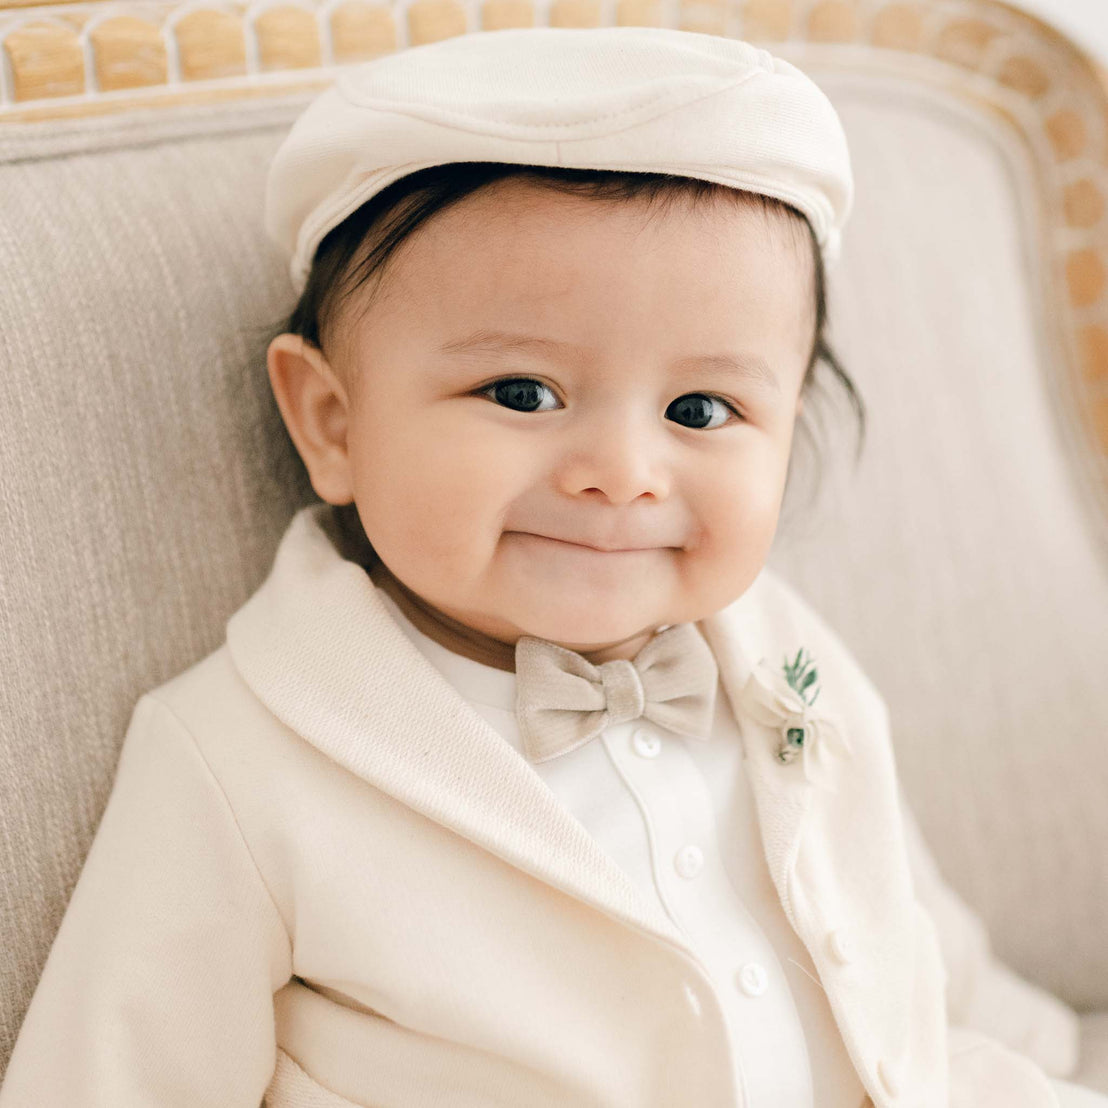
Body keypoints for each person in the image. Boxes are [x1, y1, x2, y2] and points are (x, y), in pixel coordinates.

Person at [0, 24, 1104, 1108]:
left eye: (700, 409)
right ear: (331, 422)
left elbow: (920, 955)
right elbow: (107, 1074)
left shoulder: (789, 661)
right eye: (522, 394)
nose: (621, 473)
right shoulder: (243, 754)